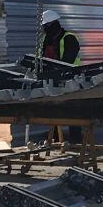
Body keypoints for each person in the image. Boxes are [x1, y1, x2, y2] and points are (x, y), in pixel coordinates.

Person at [38, 9, 83, 142]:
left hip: (71, 80)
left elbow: (68, 60)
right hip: (52, 80)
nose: (44, 29)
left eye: (45, 26)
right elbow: (42, 58)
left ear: (53, 24)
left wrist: (55, 70)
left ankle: (76, 141)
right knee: (53, 110)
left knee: (73, 112)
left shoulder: (69, 38)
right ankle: (56, 139)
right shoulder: (45, 39)